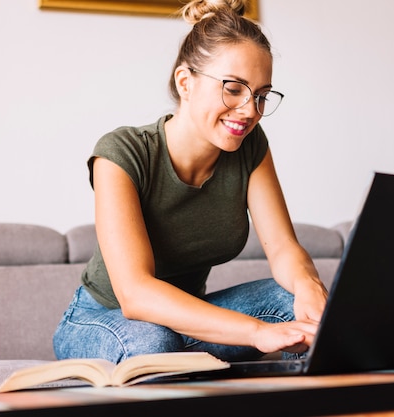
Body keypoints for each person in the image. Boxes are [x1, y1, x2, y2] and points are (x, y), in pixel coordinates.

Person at [53, 0, 328, 364]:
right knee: (153, 342)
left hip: (187, 321)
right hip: (103, 320)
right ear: (185, 82)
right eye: (234, 89)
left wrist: (310, 288)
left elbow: (282, 249)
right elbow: (135, 293)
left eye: (261, 95)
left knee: (295, 307)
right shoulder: (121, 153)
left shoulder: (251, 148)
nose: (250, 110)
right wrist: (257, 333)